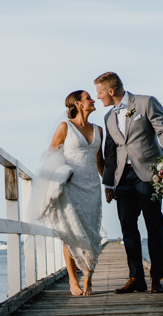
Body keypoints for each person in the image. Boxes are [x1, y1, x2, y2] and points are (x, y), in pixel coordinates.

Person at [97, 71, 163, 294]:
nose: (97, 97)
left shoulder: (146, 103)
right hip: (123, 179)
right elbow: (110, 152)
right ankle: (136, 278)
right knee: (128, 229)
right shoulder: (108, 117)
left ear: (111, 91)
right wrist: (109, 184)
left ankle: (156, 279)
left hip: (150, 174)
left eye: (100, 92)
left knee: (154, 226)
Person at [35, 90, 105, 296]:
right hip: (71, 186)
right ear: (78, 103)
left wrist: (109, 186)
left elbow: (100, 162)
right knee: (72, 233)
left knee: (91, 233)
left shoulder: (99, 129)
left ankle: (88, 280)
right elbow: (51, 154)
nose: (93, 100)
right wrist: (61, 173)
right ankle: (73, 280)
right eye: (88, 98)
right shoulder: (65, 127)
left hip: (92, 186)